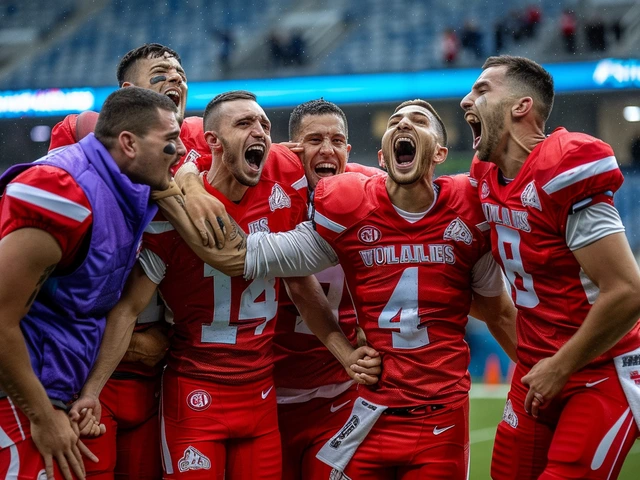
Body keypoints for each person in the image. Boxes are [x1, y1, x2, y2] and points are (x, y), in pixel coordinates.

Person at [78, 90, 380, 480]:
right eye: (244, 124)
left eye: (264, 126)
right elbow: (128, 308)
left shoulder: (285, 178)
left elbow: (300, 285)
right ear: (213, 142)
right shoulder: (174, 211)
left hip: (260, 393)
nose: (259, 131)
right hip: (195, 389)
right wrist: (91, 391)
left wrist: (345, 354)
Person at [235, 99, 518, 478]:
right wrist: (188, 177)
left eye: (336, 140)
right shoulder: (266, 194)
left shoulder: (372, 191)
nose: (326, 149)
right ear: (288, 150)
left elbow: (478, 300)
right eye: (313, 140)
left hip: (349, 393)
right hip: (273, 387)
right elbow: (293, 282)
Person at [461, 55, 640, 479]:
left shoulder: (565, 164)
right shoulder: (484, 176)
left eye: (483, 90)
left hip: (600, 369)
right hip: (537, 368)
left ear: (521, 106)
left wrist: (560, 366)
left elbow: (629, 291)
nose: (467, 100)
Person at [0, 87, 185, 480]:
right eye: (170, 141)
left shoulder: (127, 186)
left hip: (57, 391)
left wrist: (86, 391)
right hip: (16, 398)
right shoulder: (60, 190)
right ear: (128, 143)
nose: (182, 151)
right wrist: (41, 414)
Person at [48, 42, 190, 480]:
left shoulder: (200, 138)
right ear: (128, 94)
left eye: (181, 72)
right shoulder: (77, 141)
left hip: (157, 382)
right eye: (161, 71)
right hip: (87, 376)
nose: (176, 78)